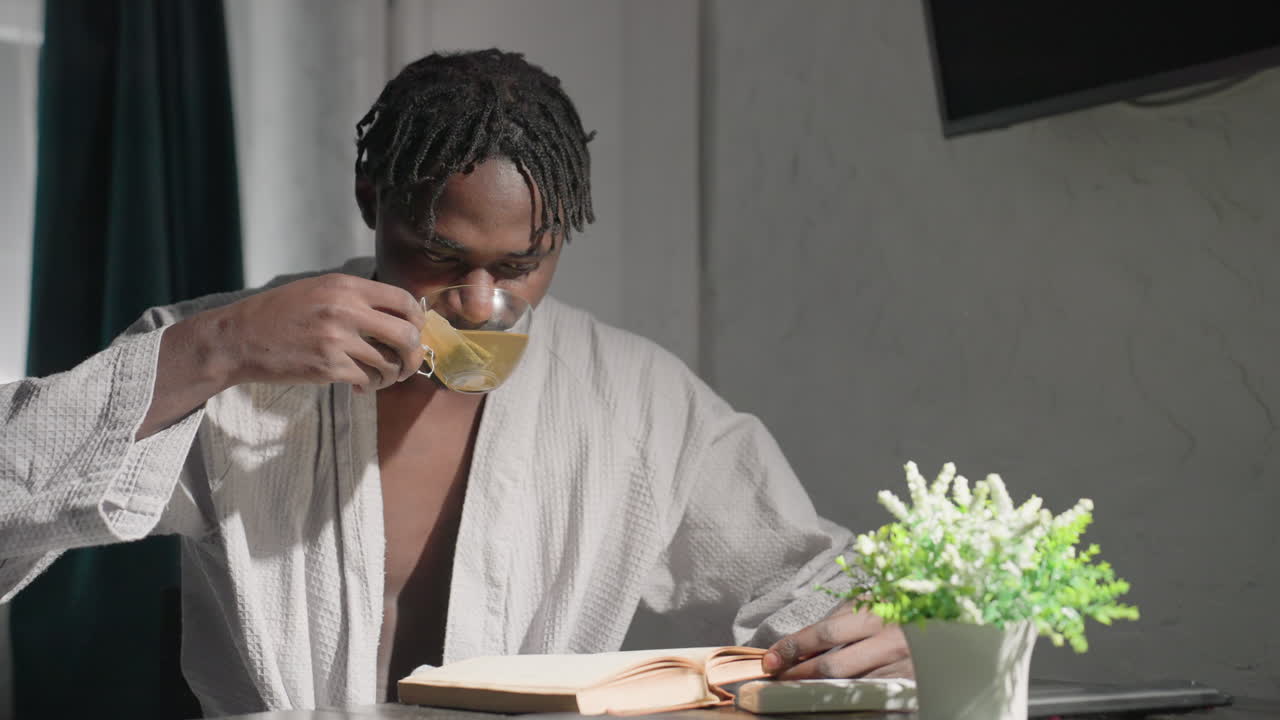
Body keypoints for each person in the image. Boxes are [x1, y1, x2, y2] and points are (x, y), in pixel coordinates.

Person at [0, 49, 910, 715]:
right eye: (439, 255)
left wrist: (886, 629)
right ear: (372, 199)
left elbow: (816, 580)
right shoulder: (242, 355)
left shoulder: (635, 400)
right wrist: (219, 346)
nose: (479, 302)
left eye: (521, 265)